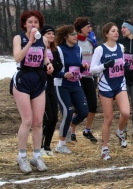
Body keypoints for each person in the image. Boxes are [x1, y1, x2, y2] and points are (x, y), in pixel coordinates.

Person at [11, 10, 53, 173]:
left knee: (38, 121)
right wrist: (29, 42)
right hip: (23, 79)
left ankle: (36, 156)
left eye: (36, 22)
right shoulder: (18, 38)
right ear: (24, 24)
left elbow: (44, 57)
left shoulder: (43, 39)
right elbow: (17, 57)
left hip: (38, 79)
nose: (33, 25)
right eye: (30, 22)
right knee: (27, 120)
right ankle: (22, 156)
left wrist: (48, 64)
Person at [90, 22, 130, 160]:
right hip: (106, 85)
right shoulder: (100, 49)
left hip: (120, 83)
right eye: (113, 31)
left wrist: (125, 65)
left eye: (117, 30)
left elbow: (121, 62)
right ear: (106, 34)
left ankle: (119, 132)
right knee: (109, 118)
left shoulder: (120, 47)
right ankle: (105, 148)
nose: (116, 33)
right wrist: (105, 65)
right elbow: (91, 69)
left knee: (126, 113)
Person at [54, 25, 89, 154]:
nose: (75, 36)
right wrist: (63, 74)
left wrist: (83, 67)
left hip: (76, 84)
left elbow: (78, 68)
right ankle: (61, 144)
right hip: (62, 85)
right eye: (72, 34)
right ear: (65, 37)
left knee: (84, 112)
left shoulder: (78, 49)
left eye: (75, 34)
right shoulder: (58, 50)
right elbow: (53, 70)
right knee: (67, 113)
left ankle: (69, 126)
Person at [71, 17, 98, 143]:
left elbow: (94, 59)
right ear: (80, 28)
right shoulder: (74, 42)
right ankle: (71, 132)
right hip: (77, 78)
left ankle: (87, 130)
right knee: (77, 107)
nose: (90, 29)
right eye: (87, 26)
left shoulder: (90, 42)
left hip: (89, 77)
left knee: (92, 105)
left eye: (90, 26)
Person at [40, 25, 62, 158]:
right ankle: (40, 146)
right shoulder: (39, 49)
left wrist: (53, 67)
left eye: (53, 34)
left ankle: (47, 146)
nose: (51, 36)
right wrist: (45, 68)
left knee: (54, 117)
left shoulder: (54, 50)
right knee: (47, 117)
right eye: (48, 34)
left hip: (51, 85)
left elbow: (59, 66)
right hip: (41, 85)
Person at [118, 19, 133, 139]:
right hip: (123, 79)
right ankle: (122, 130)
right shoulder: (120, 43)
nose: (121, 30)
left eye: (124, 28)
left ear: (130, 29)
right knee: (124, 108)